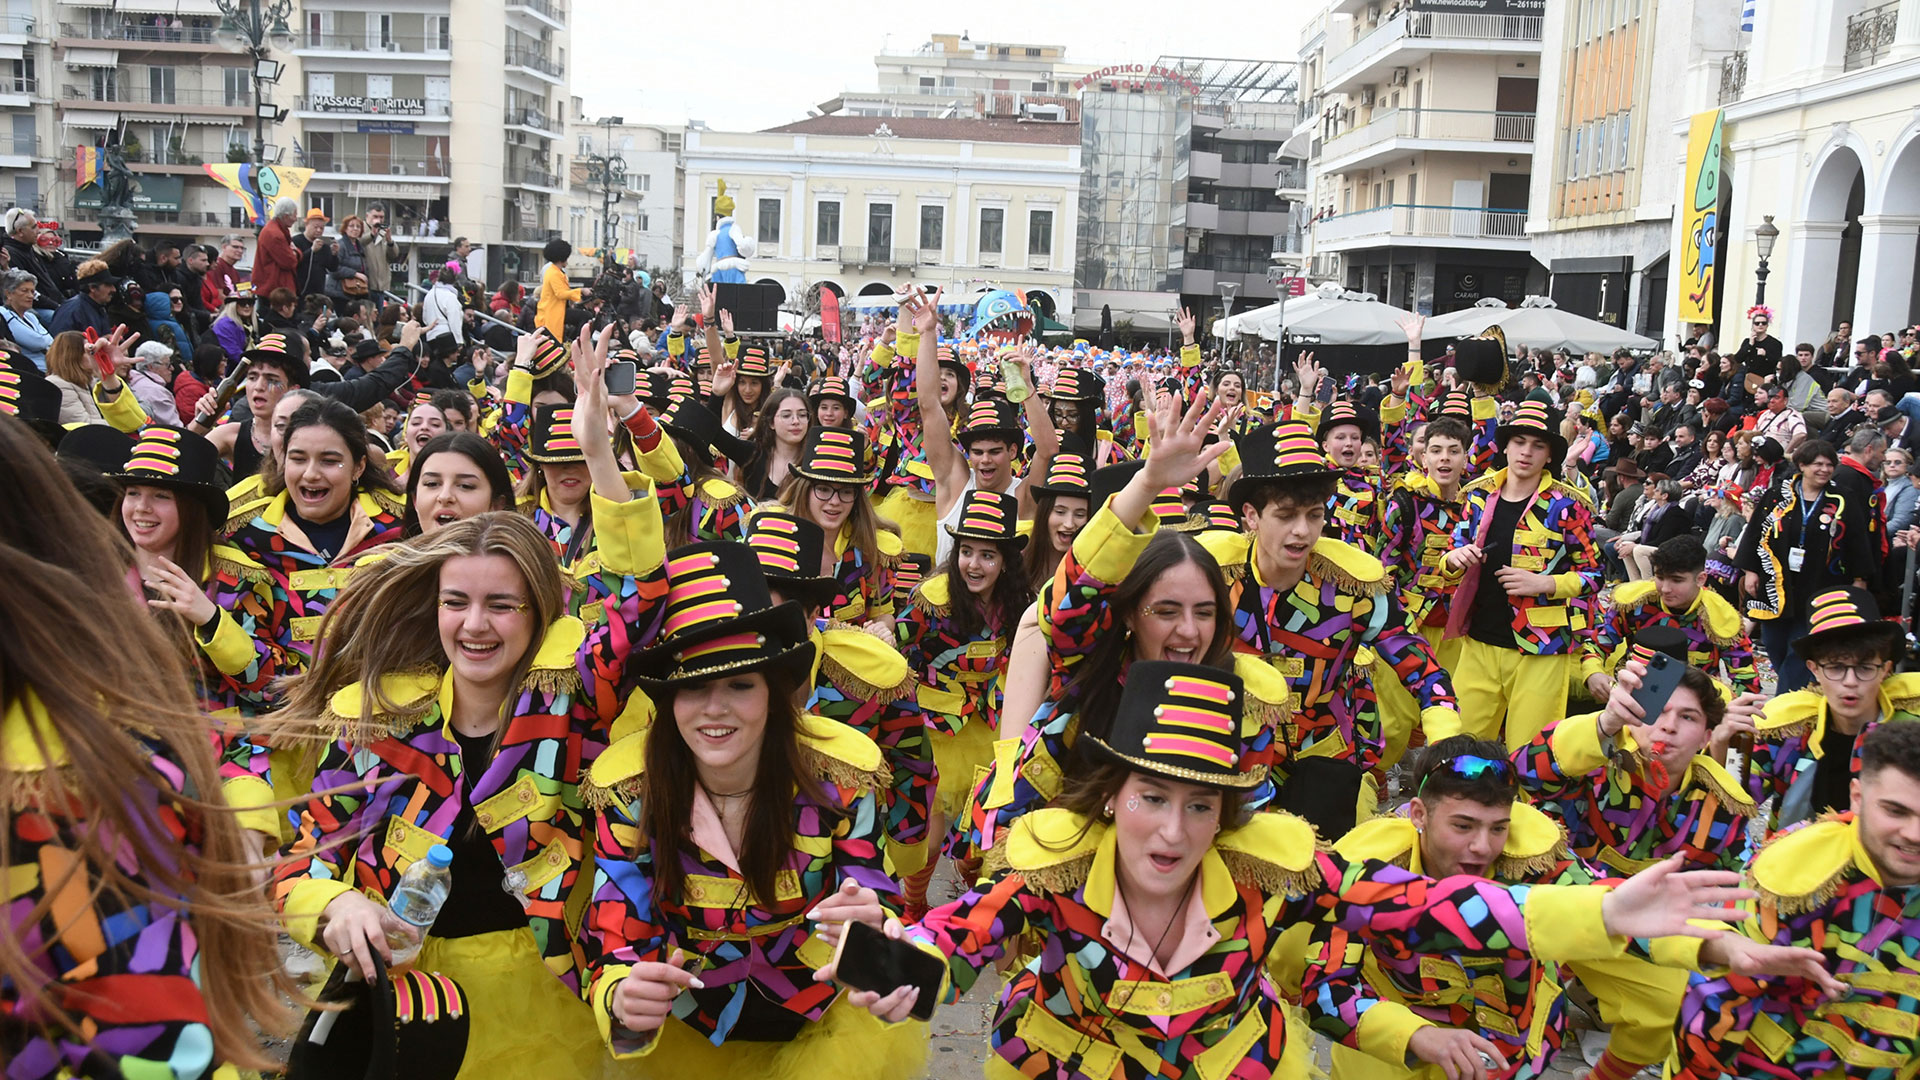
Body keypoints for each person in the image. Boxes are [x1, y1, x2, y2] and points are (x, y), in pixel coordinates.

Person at [847, 660, 1775, 1079]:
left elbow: (1420, 905)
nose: (1173, 832)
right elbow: (950, 939)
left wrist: (1604, 913)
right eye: (1151, 799)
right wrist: (883, 958)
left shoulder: (1271, 874)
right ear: (1109, 798)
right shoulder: (1047, 876)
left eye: (1201, 804)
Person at [274, 477, 664, 1079]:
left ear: (540, 614)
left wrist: (599, 456)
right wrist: (339, 905)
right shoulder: (380, 719)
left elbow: (637, 604)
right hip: (403, 1005)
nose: (474, 625)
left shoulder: (579, 713)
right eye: (455, 601)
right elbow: (301, 863)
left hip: (541, 1009)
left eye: (501, 605)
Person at [0, 414, 294, 1079]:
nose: (140, 507)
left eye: (158, 494)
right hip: (123, 767)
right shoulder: (92, 572)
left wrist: (211, 619)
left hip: (220, 766)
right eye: (131, 492)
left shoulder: (241, 576)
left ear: (190, 508)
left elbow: (269, 687)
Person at [579, 542, 925, 1078]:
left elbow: (877, 897)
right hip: (688, 1036)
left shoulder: (840, 780)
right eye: (693, 687)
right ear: (668, 700)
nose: (715, 708)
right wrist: (624, 998)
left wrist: (877, 926)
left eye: (740, 684)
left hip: (824, 1026)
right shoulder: (628, 795)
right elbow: (619, 937)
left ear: (774, 692)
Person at [1298, 736, 1598, 1080]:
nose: (1482, 847)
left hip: (1512, 1058)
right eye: (1463, 826)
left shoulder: (1535, 861)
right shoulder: (1366, 870)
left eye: (1498, 828)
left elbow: (1611, 911)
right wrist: (1414, 1035)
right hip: (1388, 1063)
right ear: (1419, 814)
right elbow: (1324, 989)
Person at [1668, 720, 1920, 1080]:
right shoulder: (1794, 875)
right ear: (1858, 797)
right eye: (1896, 811)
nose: (1914, 834)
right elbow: (1717, 999)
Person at [896, 488, 1034, 919]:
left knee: (984, 826)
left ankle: (974, 906)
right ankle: (914, 906)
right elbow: (899, 646)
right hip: (935, 727)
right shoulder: (933, 600)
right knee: (931, 832)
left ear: (1005, 561)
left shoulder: (1017, 604)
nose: (974, 564)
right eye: (967, 552)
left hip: (988, 722)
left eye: (987, 555)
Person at [1442, 399, 1603, 752]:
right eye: (1519, 442)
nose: (1526, 452)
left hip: (1541, 649)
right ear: (1506, 446)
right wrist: (1453, 559)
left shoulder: (1568, 506)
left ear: (1550, 456)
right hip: (1478, 642)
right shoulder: (1479, 495)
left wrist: (1547, 583)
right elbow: (1452, 553)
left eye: (1538, 445)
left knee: (1530, 753)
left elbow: (1594, 575)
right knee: (1462, 747)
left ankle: (1528, 809)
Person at [1748, 586, 1920, 828]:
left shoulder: (1912, 732)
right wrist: (1726, 748)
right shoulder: (1788, 731)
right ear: (1814, 669)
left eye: (1865, 668)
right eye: (1836, 668)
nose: (1850, 682)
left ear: (1885, 669)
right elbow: (1735, 800)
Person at [1738, 439, 1876, 689]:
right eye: (1817, 464)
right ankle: (1799, 691)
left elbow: (1857, 541)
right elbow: (1756, 531)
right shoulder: (1778, 494)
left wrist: (1859, 579)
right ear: (1802, 465)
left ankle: (1784, 705)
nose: (1824, 470)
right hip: (1777, 584)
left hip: (1821, 585)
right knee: (1775, 645)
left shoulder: (1843, 499)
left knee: (1799, 650)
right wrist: (1750, 571)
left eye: (1829, 465)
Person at [772, 426, 902, 629]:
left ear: (856, 497)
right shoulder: (775, 538)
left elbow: (884, 614)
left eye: (846, 492)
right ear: (805, 490)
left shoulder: (874, 547)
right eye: (823, 489)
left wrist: (882, 628)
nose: (834, 501)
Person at [738, 386, 808, 501]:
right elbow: (712, 434)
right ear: (771, 423)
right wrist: (717, 394)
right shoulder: (753, 454)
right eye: (786, 415)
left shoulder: (816, 461)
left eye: (802, 415)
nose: (796, 421)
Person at [47, 259, 117, 338]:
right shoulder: (72, 310)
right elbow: (60, 345)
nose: (113, 289)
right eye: (108, 285)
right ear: (92, 288)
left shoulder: (98, 307)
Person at [1, 267, 53, 369]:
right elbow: (38, 342)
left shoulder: (31, 316)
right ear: (8, 294)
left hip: (49, 367)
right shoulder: (3, 314)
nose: (30, 296)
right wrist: (46, 341)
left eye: (32, 292)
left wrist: (46, 341)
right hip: (30, 371)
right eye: (24, 291)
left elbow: (50, 341)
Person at [251, 198, 300, 300]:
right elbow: (289, 262)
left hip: (273, 288)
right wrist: (295, 252)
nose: (296, 219)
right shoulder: (275, 234)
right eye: (294, 215)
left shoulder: (275, 230)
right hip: (274, 290)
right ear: (286, 216)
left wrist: (293, 252)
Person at [536, 237, 579, 342]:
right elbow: (560, 293)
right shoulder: (554, 273)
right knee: (585, 316)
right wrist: (581, 292)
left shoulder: (556, 271)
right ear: (562, 257)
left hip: (556, 312)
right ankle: (576, 341)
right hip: (552, 314)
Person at [202, 234, 246, 310]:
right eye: (235, 247)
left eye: (242, 248)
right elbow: (219, 296)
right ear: (224, 247)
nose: (240, 251)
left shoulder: (234, 270)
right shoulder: (217, 266)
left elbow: (240, 293)